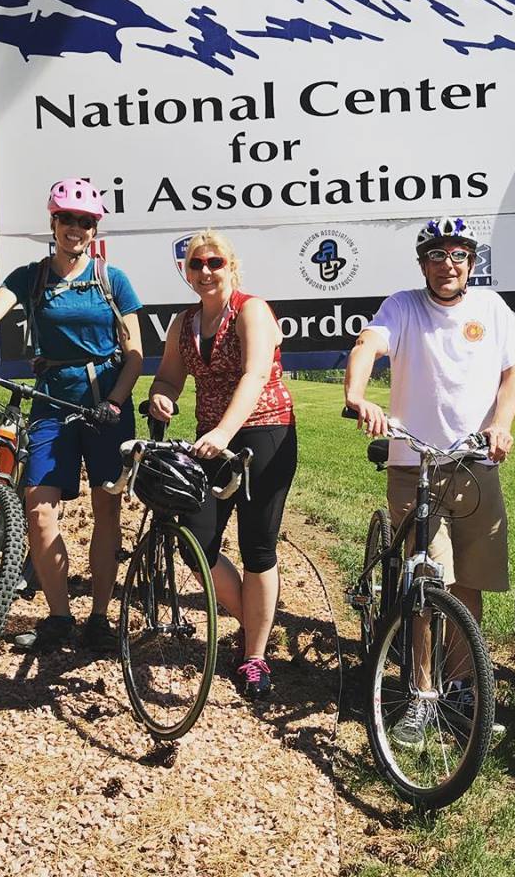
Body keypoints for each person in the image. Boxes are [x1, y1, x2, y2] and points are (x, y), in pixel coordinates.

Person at [0, 178, 143, 653]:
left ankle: (100, 618)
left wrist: (116, 403)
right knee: (38, 509)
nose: (75, 229)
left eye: (85, 222)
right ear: (53, 222)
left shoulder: (112, 279)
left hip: (106, 404)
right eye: (67, 219)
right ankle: (59, 617)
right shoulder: (32, 276)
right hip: (52, 404)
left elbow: (136, 352)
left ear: (94, 227)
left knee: (107, 506)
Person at [343, 216, 515, 742]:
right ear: (422, 263)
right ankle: (422, 693)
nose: (448, 264)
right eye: (437, 255)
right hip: (415, 464)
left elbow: (512, 372)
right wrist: (357, 394)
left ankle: (464, 689)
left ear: (471, 263)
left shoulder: (490, 309)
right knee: (427, 583)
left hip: (475, 464)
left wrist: (501, 423)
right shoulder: (402, 306)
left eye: (458, 255)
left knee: (469, 583)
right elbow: (367, 346)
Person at [148, 229, 297, 698]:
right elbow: (169, 376)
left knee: (258, 546)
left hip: (264, 433)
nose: (206, 271)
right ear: (186, 272)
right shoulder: (184, 322)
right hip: (211, 441)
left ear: (231, 266)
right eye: (196, 264)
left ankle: (254, 655)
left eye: (215, 262)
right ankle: (252, 621)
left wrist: (223, 433)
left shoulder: (252, 310)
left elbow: (254, 374)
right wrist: (161, 396)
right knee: (196, 539)